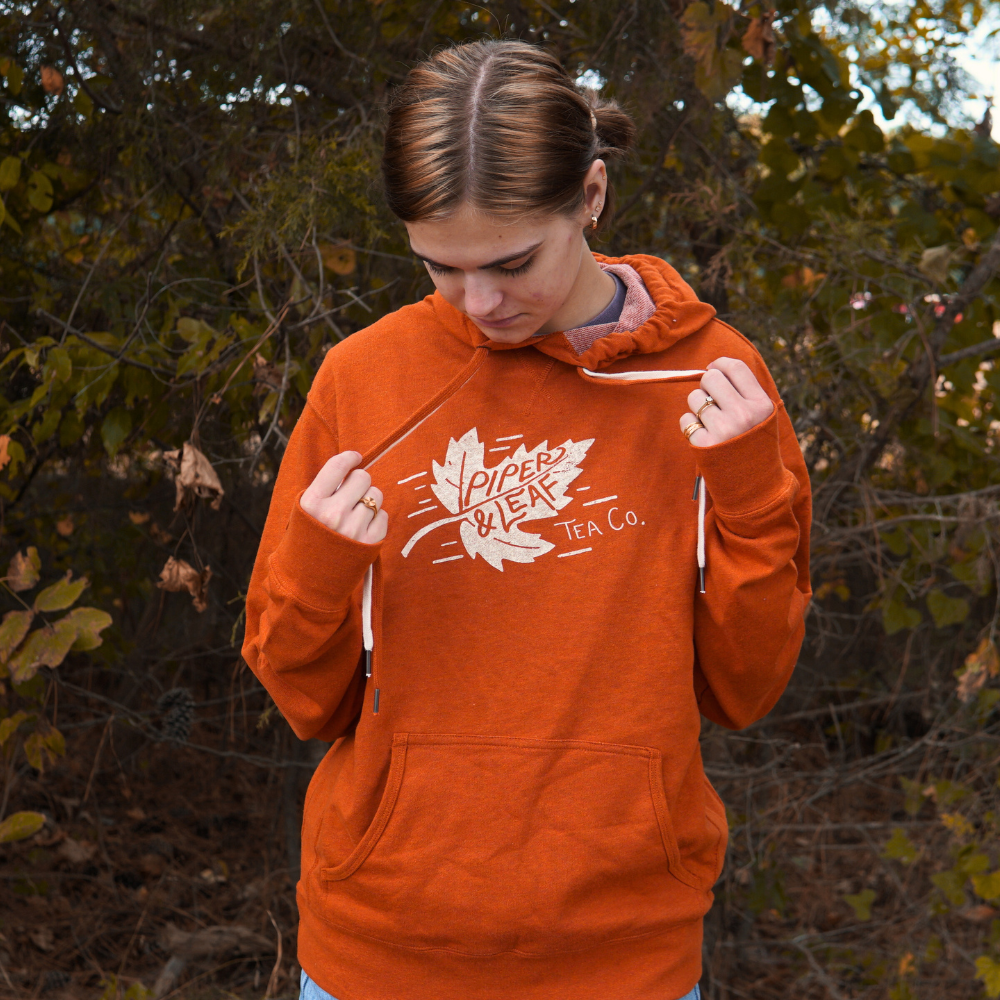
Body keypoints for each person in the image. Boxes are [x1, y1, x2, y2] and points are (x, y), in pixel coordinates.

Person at [243, 38, 811, 1000]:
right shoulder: (365, 379)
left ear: (590, 197)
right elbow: (304, 699)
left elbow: (743, 688)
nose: (481, 303)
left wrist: (754, 496)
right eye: (441, 268)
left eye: (511, 262)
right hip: (377, 952)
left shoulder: (716, 382)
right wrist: (321, 565)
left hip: (624, 957)